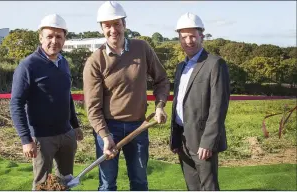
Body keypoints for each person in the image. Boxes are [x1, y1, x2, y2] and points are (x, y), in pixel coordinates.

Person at [83, 1, 170, 190]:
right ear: (101, 29)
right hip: (108, 127)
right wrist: (105, 137)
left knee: (139, 181)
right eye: (107, 25)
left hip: (139, 125)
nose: (113, 30)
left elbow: (162, 79)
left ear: (124, 25)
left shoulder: (142, 48)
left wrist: (160, 106)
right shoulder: (95, 61)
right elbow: (92, 107)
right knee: (107, 183)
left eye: (117, 24)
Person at [9, 13, 83, 190]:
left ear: (65, 39)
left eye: (59, 36)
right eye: (49, 36)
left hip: (66, 135)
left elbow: (67, 96)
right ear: (41, 37)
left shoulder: (63, 63)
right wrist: (26, 140)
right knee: (43, 184)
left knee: (65, 182)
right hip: (42, 139)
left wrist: (75, 125)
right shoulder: (28, 65)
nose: (54, 41)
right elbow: (16, 103)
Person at [170, 12, 230, 191]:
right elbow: (179, 103)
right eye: (184, 37)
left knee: (208, 187)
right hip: (182, 139)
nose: (188, 41)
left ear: (201, 36)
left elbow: (218, 106)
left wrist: (208, 142)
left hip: (202, 140)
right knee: (192, 187)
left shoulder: (215, 64)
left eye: (193, 36)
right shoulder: (181, 67)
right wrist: (174, 138)